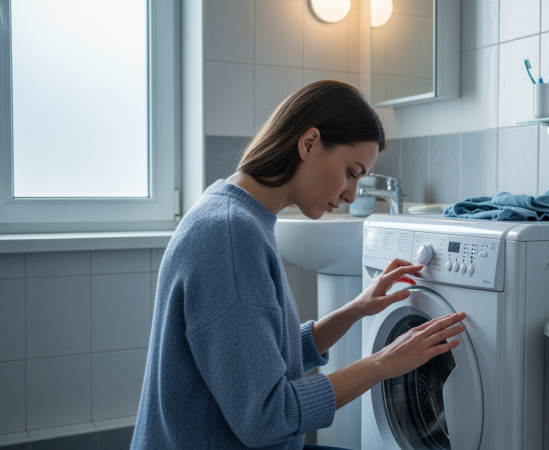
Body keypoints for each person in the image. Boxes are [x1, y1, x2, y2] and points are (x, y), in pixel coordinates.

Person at [131, 81, 467, 449]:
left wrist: (354, 311)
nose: (352, 194)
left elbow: (261, 359)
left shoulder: (232, 213)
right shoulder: (232, 236)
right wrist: (384, 363)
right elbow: (267, 416)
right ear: (308, 143)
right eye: (352, 172)